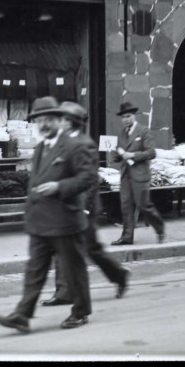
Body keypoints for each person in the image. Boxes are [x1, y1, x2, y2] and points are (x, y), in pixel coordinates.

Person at [0, 96, 95, 333]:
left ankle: (80, 312)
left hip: (66, 220)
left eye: (49, 119)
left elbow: (88, 178)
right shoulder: (41, 147)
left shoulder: (75, 145)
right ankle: (22, 314)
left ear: (61, 120)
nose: (44, 125)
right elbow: (35, 182)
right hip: (41, 222)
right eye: (40, 120)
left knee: (73, 270)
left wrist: (60, 187)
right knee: (34, 271)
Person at [41, 102, 131, 307]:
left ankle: (118, 275)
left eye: (62, 119)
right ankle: (65, 292)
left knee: (90, 249)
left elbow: (90, 180)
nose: (58, 122)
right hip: (67, 206)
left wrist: (86, 207)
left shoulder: (84, 144)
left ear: (71, 122)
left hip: (84, 207)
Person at [110, 102, 165, 246]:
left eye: (128, 116)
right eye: (123, 117)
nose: (126, 119)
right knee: (126, 206)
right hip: (126, 175)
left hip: (140, 175)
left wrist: (132, 155)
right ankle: (127, 237)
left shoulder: (144, 131)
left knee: (144, 205)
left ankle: (160, 228)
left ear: (134, 116)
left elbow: (152, 152)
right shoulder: (122, 133)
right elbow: (120, 153)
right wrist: (115, 154)